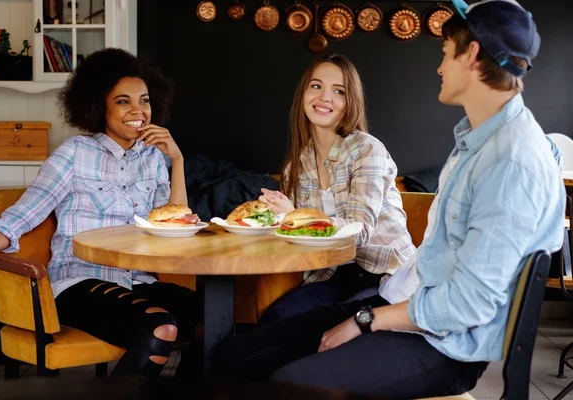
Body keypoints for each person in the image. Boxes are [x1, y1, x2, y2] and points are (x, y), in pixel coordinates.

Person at [211, 1, 565, 398]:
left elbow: (468, 305)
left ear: (472, 54)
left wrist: (365, 320)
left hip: (440, 344)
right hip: (401, 300)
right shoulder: (476, 143)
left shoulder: (510, 162)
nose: (439, 67)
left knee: (287, 384)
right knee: (235, 357)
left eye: (446, 54)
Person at [0, 48, 198, 378]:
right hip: (78, 280)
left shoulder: (152, 158)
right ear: (99, 106)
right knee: (160, 327)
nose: (138, 110)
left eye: (144, 100)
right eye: (123, 101)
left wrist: (176, 160)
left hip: (136, 278)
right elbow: (25, 213)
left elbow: (174, 222)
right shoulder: (75, 154)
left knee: (209, 316)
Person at [257, 53, 416, 324]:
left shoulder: (367, 149)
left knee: (323, 325)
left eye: (338, 91)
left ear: (349, 101)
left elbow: (360, 230)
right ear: (304, 93)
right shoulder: (297, 164)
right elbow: (298, 237)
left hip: (386, 275)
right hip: (332, 274)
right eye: (316, 86)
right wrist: (278, 219)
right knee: (277, 319)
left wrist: (296, 216)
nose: (324, 97)